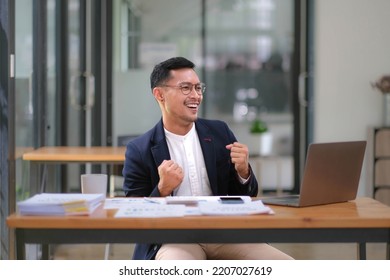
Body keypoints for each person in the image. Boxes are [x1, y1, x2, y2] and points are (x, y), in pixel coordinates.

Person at [122, 56, 293, 260]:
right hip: (174, 238)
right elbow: (135, 216)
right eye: (185, 88)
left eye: (198, 87)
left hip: (224, 232)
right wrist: (162, 189)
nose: (195, 95)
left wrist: (243, 172)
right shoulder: (139, 149)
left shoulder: (220, 132)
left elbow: (246, 193)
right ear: (159, 94)